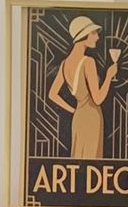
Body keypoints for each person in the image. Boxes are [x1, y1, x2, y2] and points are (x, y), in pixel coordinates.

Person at [48, 15, 120, 159]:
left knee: (79, 158)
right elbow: (98, 99)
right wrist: (108, 76)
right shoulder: (88, 62)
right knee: (92, 161)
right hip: (92, 118)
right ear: (84, 36)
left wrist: (74, 110)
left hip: (78, 118)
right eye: (94, 33)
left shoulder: (64, 64)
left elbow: (52, 94)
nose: (97, 38)